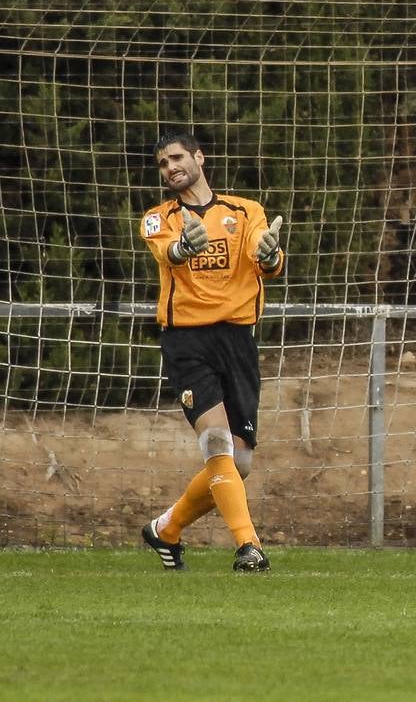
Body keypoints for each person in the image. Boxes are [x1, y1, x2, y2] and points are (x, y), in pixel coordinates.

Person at [138, 132, 285, 573]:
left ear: (199, 158)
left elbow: (269, 264)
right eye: (163, 163)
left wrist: (271, 253)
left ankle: (165, 529)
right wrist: (185, 246)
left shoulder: (246, 211)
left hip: (238, 340)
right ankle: (249, 546)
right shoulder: (156, 218)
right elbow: (169, 252)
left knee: (238, 464)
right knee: (215, 442)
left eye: (177, 158)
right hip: (187, 341)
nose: (170, 167)